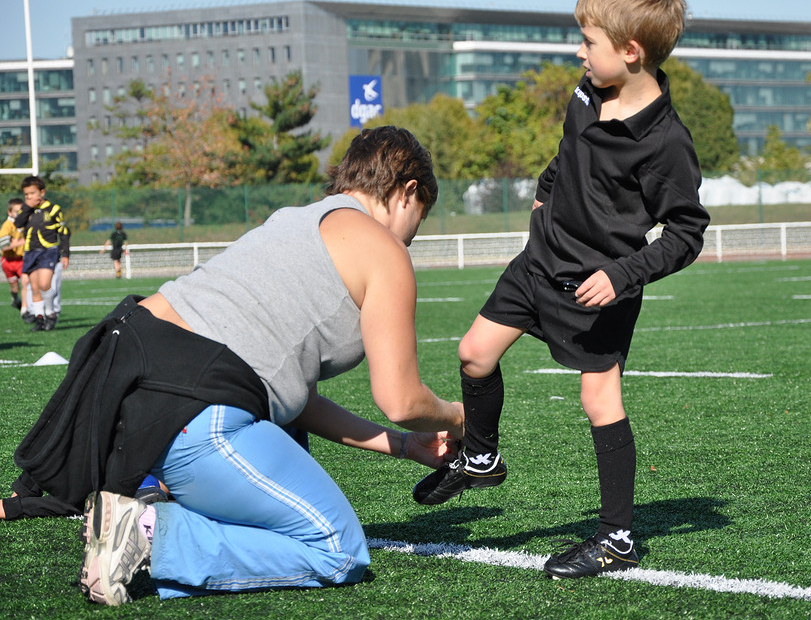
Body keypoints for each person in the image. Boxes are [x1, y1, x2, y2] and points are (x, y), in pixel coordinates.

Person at [10, 126, 465, 605]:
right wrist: (460, 416)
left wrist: (407, 447)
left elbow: (293, 401)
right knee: (340, 550)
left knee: (285, 440)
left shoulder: (292, 219)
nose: (413, 236)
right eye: (420, 216)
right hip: (199, 412)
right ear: (407, 191)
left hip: (133, 408)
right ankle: (147, 530)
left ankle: (151, 501)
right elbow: (401, 398)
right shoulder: (384, 248)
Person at [412, 0, 710, 579]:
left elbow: (686, 233)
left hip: (598, 288)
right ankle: (482, 459)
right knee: (473, 353)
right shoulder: (585, 93)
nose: (578, 52)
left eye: (589, 42)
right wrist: (546, 192)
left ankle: (618, 537)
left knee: (598, 399)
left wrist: (625, 275)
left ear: (630, 50)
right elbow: (567, 152)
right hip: (538, 263)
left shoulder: (666, 143)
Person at [14, 176, 69, 332]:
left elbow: (64, 232)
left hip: (48, 251)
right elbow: (18, 224)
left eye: (32, 193)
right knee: (35, 287)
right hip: (31, 252)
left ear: (42, 192)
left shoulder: (53, 209)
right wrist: (26, 207)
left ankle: (51, 313)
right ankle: (39, 318)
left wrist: (66, 253)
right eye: (26, 194)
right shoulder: (26, 210)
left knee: (45, 284)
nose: (29, 197)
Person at [0, 198, 28, 312]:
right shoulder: (7, 226)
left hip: (21, 260)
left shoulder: (25, 224)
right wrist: (21, 242)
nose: (19, 214)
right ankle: (16, 299)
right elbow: (4, 246)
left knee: (27, 284)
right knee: (15, 287)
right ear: (10, 212)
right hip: (8, 261)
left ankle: (25, 311)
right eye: (16, 211)